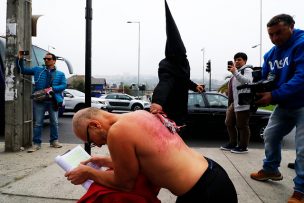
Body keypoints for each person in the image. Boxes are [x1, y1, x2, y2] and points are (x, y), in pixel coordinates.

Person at [65, 107, 237, 202]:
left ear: (95, 125)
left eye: (90, 140)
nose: (97, 145)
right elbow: (147, 158)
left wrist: (89, 173)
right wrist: (105, 161)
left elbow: (124, 183)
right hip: (212, 175)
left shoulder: (117, 132)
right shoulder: (139, 115)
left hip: (203, 194)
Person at [250, 14, 304, 203]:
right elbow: (267, 79)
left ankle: (301, 191)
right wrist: (256, 88)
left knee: (302, 149)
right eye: (271, 35)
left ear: (292, 26)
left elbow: (301, 78)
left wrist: (273, 96)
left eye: (279, 33)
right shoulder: (271, 54)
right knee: (270, 135)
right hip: (284, 104)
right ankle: (271, 169)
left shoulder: (301, 43)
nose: (275, 39)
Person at [150, 0, 204, 128]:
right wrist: (157, 101)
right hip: (169, 113)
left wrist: (194, 86)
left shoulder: (183, 62)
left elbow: (182, 79)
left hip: (181, 111)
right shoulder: (166, 65)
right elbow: (164, 83)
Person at [17, 52, 66, 152]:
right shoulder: (37, 69)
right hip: (39, 100)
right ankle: (36, 144)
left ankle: (54, 141)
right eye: (45, 59)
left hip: (53, 101)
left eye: (48, 59)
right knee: (38, 123)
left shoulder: (60, 74)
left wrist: (53, 88)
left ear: (54, 61)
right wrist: (20, 59)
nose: (46, 60)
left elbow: (63, 85)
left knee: (54, 122)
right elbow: (22, 70)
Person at [220, 52, 253, 154]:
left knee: (242, 125)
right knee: (229, 122)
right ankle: (232, 143)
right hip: (234, 102)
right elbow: (235, 87)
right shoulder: (236, 72)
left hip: (244, 102)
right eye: (235, 60)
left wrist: (235, 72)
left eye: (239, 59)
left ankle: (243, 146)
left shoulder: (247, 70)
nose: (236, 62)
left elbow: (248, 81)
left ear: (245, 61)